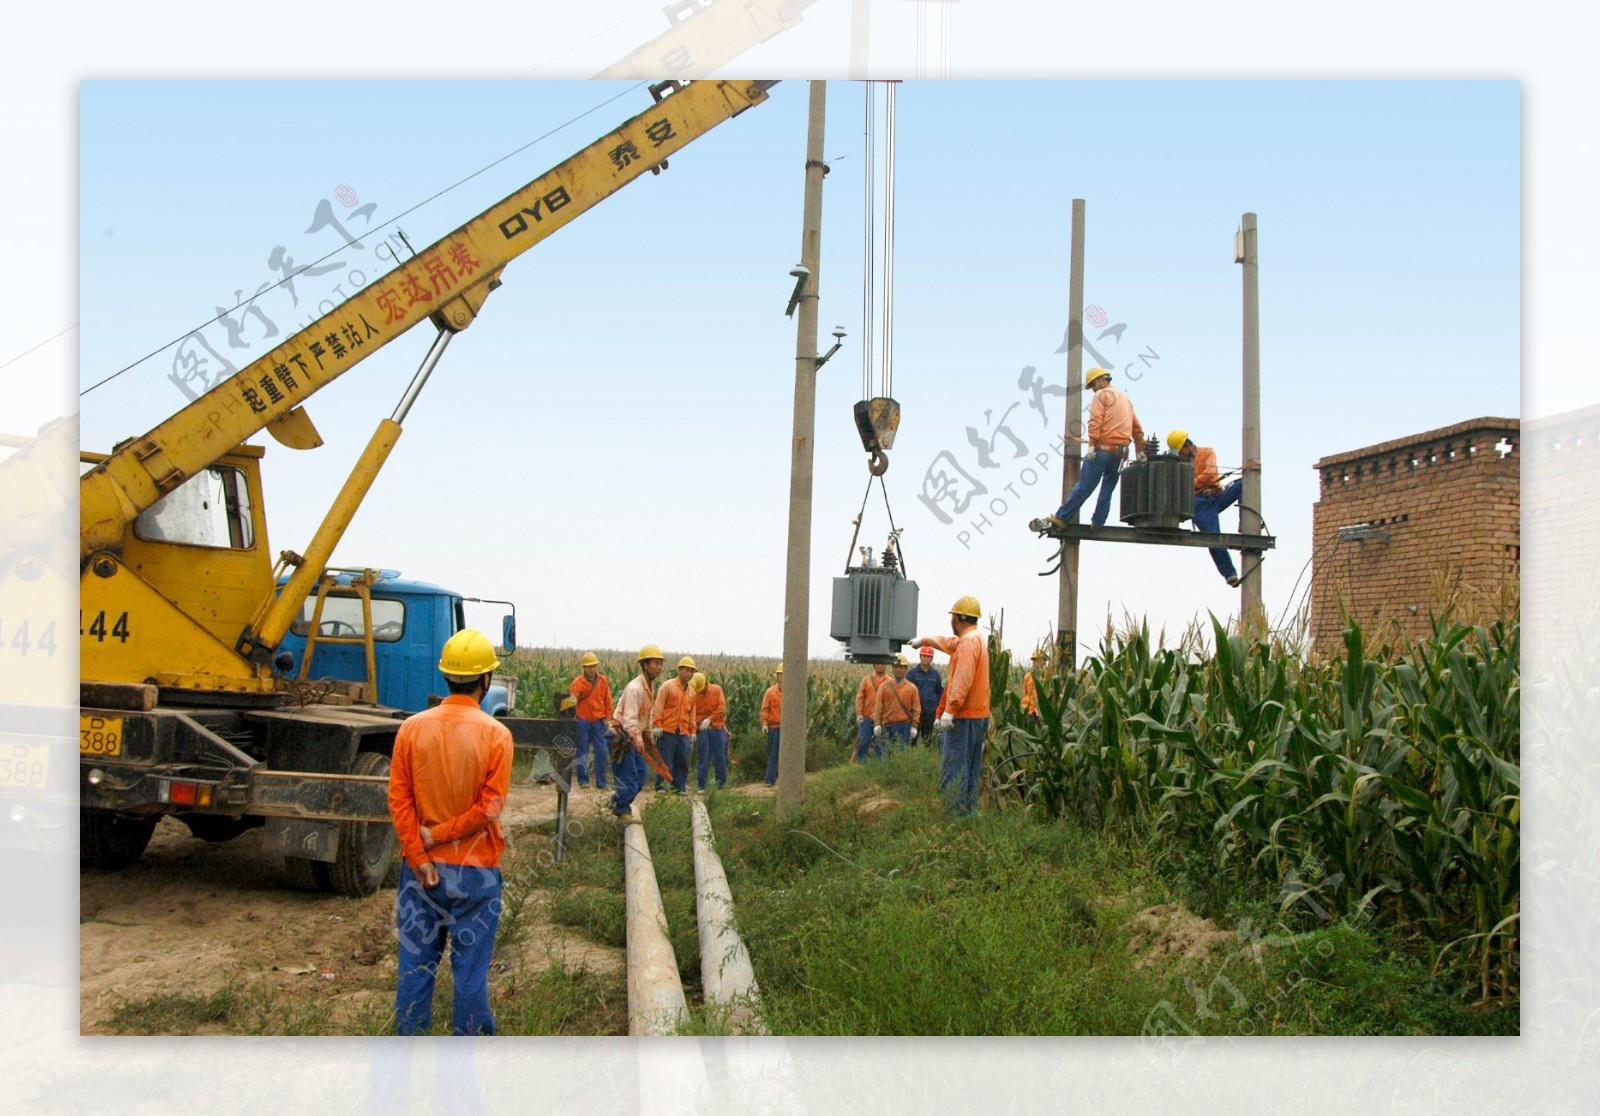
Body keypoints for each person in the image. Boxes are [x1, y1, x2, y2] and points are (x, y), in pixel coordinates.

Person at [387, 629, 514, 1036]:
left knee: (415, 968)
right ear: (486, 680)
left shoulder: (411, 729)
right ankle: (466, 1062)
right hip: (476, 873)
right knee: (471, 975)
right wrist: (440, 835)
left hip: (421, 874)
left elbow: (399, 800)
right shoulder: (497, 735)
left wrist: (421, 855)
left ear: (446, 676)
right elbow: (489, 808)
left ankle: (406, 1054)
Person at [911, 595, 992, 817]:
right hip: (978, 717)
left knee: (954, 768)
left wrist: (949, 711)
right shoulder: (976, 640)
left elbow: (962, 680)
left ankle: (953, 818)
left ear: (956, 618)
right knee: (970, 768)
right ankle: (967, 814)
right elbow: (948, 643)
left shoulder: (967, 644)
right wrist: (925, 641)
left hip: (964, 717)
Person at [1035, 367, 1143, 530]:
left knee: (1085, 486)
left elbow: (1095, 421)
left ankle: (1062, 517)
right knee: (1107, 489)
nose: (1093, 389)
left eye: (1093, 385)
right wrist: (1140, 450)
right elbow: (1137, 429)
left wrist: (1092, 446)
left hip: (1103, 450)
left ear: (1102, 380)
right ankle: (1098, 523)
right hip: (1120, 454)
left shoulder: (1102, 395)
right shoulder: (1125, 399)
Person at [1168, 429, 1259, 587]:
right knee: (1213, 538)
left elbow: (1210, 475)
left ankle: (1245, 522)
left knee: (1243, 484)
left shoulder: (1207, 452)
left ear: (1186, 445)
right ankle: (1229, 573)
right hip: (1199, 504)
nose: (1180, 455)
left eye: (1180, 451)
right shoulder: (1179, 463)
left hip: (1216, 497)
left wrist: (1191, 483)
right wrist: (1195, 485)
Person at [611, 644, 665, 822]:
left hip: (634, 737)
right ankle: (622, 810)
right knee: (630, 778)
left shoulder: (649, 686)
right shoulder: (635, 688)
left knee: (641, 775)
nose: (658, 667)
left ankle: (616, 801)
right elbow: (631, 717)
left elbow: (647, 713)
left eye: (660, 663)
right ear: (645, 665)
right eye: (655, 663)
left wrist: (648, 733)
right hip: (623, 737)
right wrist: (637, 737)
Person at [652, 655, 699, 794]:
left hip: (683, 731)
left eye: (692, 671)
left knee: (682, 761)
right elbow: (659, 706)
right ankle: (662, 786)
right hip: (667, 729)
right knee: (665, 760)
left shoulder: (691, 692)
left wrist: (693, 731)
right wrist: (657, 724)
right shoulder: (668, 686)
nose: (689, 674)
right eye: (687, 670)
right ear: (680, 670)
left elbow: (692, 713)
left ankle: (679, 787)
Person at [569, 652, 613, 789]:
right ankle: (583, 781)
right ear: (584, 668)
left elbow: (607, 700)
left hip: (599, 721)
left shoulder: (603, 681)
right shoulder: (577, 683)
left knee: (602, 751)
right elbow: (572, 703)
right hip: (583, 720)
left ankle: (602, 782)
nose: (592, 669)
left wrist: (608, 719)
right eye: (589, 667)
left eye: (594, 666)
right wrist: (574, 717)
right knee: (582, 750)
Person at [874, 654, 922, 754]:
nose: (898, 670)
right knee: (884, 754)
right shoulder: (884, 686)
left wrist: (914, 726)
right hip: (887, 725)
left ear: (905, 669)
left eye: (901, 667)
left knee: (901, 754)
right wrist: (877, 724)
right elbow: (878, 706)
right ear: (892, 668)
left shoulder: (912, 688)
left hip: (904, 726)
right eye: (896, 667)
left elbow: (916, 708)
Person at [692, 671, 729, 791]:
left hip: (717, 728)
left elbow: (721, 707)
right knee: (704, 757)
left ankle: (721, 783)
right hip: (702, 730)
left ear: (707, 683)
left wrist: (709, 719)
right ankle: (702, 785)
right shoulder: (695, 694)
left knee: (720, 757)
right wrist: (698, 725)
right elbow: (692, 712)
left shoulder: (717, 690)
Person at [906, 645, 944, 746]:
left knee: (927, 738)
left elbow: (940, 692)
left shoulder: (936, 675)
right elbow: (906, 692)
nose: (926, 658)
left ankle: (927, 757)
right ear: (920, 657)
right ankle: (911, 756)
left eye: (928, 656)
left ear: (932, 658)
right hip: (915, 712)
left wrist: (937, 708)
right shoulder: (912, 674)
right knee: (912, 738)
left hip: (930, 711)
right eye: (924, 656)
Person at [854, 662, 891, 762]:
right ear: (874, 665)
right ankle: (862, 765)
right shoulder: (867, 680)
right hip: (867, 718)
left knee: (880, 745)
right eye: (878, 663)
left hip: (882, 720)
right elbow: (860, 697)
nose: (880, 665)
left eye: (882, 663)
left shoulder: (890, 681)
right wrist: (859, 713)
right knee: (863, 741)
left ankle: (879, 767)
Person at [761, 665, 784, 786]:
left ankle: (786, 780)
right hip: (774, 728)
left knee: (787, 754)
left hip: (787, 729)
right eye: (781, 674)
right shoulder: (770, 692)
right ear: (777, 676)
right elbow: (765, 709)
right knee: (773, 754)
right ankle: (770, 779)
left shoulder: (792, 693)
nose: (783, 677)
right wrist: (764, 723)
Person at [1022, 649, 1046, 723]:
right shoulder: (1028, 676)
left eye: (1039, 660)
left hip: (1041, 711)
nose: (1036, 663)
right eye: (1035, 661)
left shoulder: (1046, 676)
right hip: (1028, 709)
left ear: (1044, 662)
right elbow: (1025, 693)